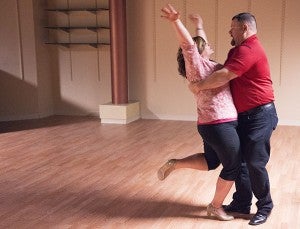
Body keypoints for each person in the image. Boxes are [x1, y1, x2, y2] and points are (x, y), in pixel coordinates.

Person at [188, 12, 278, 226]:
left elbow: (225, 75)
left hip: (260, 115)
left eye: (233, 28)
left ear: (245, 28)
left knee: (255, 162)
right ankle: (241, 202)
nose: (230, 31)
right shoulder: (236, 50)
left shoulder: (250, 49)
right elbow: (202, 55)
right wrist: (199, 26)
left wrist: (198, 86)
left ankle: (265, 206)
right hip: (243, 116)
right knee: (240, 162)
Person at [158, 4, 241, 221]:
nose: (210, 45)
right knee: (233, 166)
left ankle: (175, 163)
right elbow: (189, 45)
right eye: (206, 45)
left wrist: (200, 26)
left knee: (212, 161)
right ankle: (215, 207)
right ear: (199, 51)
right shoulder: (197, 66)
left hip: (210, 124)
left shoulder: (207, 64)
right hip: (218, 124)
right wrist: (176, 21)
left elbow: (198, 42)